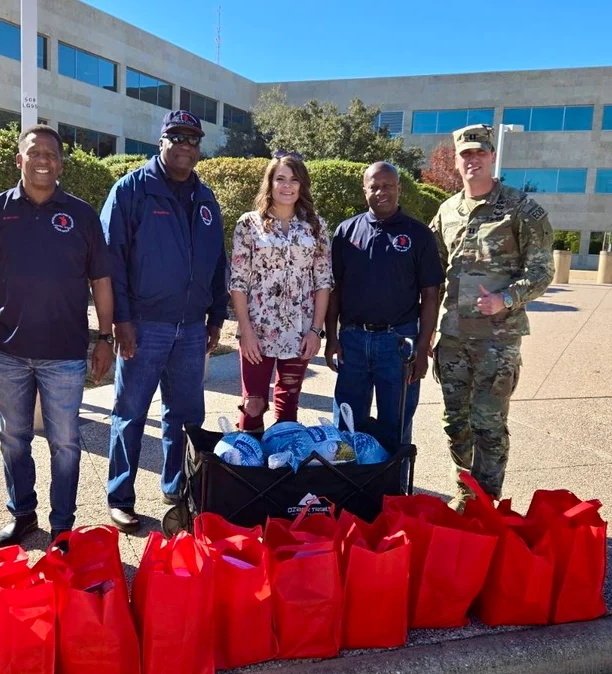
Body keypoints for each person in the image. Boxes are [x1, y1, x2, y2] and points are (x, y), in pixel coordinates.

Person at [0, 125, 114, 546]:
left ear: (61, 163)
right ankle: (23, 514)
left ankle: (63, 525)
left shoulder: (82, 215)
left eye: (51, 154)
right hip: (6, 351)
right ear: (20, 160)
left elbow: (101, 279)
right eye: (34, 152)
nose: (43, 160)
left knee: (65, 442)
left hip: (64, 353)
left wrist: (104, 338)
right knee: (13, 438)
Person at [101, 110, 229, 533]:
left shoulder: (205, 198)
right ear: (161, 142)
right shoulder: (132, 190)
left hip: (191, 328)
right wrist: (120, 319)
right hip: (144, 325)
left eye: (193, 139)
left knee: (186, 416)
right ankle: (121, 497)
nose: (185, 145)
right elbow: (111, 261)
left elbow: (217, 262)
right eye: (177, 137)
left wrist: (216, 316)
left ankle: (177, 489)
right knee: (131, 413)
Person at [429, 124, 554, 511]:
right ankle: (465, 487)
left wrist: (506, 298)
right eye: (466, 154)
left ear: (492, 156)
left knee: (488, 424)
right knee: (456, 423)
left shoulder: (521, 209)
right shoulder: (447, 211)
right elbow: (432, 271)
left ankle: (485, 501)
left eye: (480, 152)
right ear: (457, 160)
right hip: (452, 338)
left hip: (496, 342)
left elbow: (542, 271)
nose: (473, 160)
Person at [325, 162, 443, 450]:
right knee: (347, 426)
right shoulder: (345, 232)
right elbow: (334, 289)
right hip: (353, 341)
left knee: (396, 427)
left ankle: (394, 480)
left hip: (398, 343)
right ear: (364, 190)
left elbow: (430, 295)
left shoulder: (419, 235)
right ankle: (350, 479)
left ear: (399, 188)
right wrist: (332, 338)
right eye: (374, 186)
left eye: (388, 185)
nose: (381, 192)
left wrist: (422, 347)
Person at [230, 152, 331, 431]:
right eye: (280, 179)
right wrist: (245, 331)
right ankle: (246, 456)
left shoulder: (316, 226)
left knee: (288, 404)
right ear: (270, 183)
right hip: (257, 329)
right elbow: (238, 281)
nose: (287, 186)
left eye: (294, 180)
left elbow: (323, 281)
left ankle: (283, 455)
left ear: (302, 185)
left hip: (300, 330)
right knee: (253, 403)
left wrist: (316, 331)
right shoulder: (248, 224)